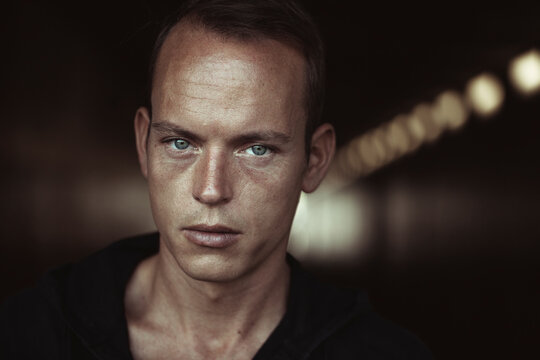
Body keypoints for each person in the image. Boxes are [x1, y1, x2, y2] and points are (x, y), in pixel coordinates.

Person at [0, 0, 432, 358]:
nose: (210, 190)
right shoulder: (28, 336)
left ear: (314, 160)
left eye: (256, 149)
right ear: (142, 144)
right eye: (180, 143)